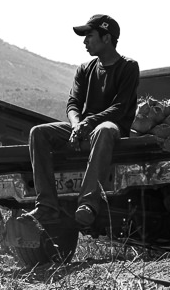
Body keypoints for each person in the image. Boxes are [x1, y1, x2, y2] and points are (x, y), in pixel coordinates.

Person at [27, 14, 139, 227]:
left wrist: (88, 123)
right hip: (82, 127)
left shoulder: (129, 67)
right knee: (38, 133)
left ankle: (88, 203)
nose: (85, 41)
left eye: (90, 36)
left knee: (104, 130)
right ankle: (46, 206)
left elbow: (120, 107)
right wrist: (77, 124)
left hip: (111, 127)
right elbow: (72, 104)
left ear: (107, 38)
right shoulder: (84, 69)